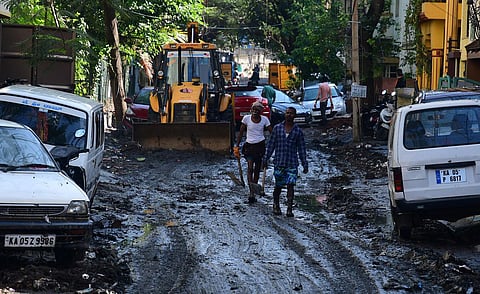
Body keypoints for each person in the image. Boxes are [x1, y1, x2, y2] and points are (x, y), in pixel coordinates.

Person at [262, 107, 308, 217]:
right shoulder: (277, 129)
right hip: (279, 162)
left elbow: (301, 149)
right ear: (284, 115)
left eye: (291, 113)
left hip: (292, 163)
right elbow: (271, 145)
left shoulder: (298, 131)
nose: (289, 115)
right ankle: (276, 204)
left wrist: (304, 163)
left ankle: (289, 208)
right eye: (287, 113)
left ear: (294, 116)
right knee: (278, 185)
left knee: (291, 185)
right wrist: (266, 158)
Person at [234, 101, 273, 204]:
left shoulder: (264, 120)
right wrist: (236, 146)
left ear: (261, 112)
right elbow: (241, 132)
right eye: (254, 110)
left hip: (260, 146)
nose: (255, 112)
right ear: (251, 110)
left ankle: (254, 187)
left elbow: (271, 132)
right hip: (249, 146)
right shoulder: (246, 119)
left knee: (257, 169)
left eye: (258, 110)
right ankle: (251, 191)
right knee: (250, 167)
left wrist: (274, 143)